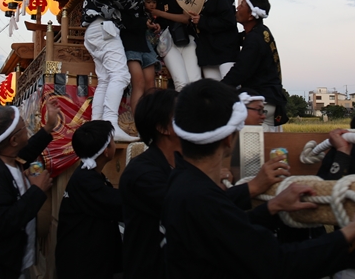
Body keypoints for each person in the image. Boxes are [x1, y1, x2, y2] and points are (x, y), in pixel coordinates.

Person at [162, 79, 355, 278]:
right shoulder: (200, 197)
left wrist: (273, 207)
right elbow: (278, 264)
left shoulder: (183, 181)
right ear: (229, 138)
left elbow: (228, 232)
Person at [120, 87, 289, 279]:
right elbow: (202, 208)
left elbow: (216, 222)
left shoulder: (181, 168)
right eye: (181, 115)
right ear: (163, 128)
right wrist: (253, 187)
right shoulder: (142, 175)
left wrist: (272, 207)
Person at [82, 0, 161, 142]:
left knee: (106, 78)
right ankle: (109, 124)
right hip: (104, 28)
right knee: (121, 76)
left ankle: (98, 125)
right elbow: (127, 2)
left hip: (96, 29)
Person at [0, 98, 59, 279]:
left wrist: (49, 126)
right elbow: (2, 223)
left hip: (10, 264)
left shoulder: (7, 157)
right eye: (24, 127)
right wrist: (37, 190)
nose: (28, 130)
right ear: (14, 140)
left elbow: (28, 151)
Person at [55, 120, 122, 279]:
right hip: (82, 267)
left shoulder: (88, 176)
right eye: (113, 140)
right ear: (106, 151)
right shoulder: (86, 182)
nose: (115, 144)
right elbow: (118, 204)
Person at [222, 0, 287, 131]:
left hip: (261, 102)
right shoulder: (261, 32)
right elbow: (235, 40)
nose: (238, 8)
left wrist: (218, 89)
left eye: (242, 5)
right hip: (270, 98)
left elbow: (240, 71)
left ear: (251, 15)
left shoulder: (254, 40)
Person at [148, 0, 201, 91]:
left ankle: (195, 104)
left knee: (195, 80)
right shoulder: (156, 2)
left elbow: (185, 18)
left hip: (187, 39)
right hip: (167, 43)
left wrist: (159, 13)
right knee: (180, 82)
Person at [186, 0, 240, 81]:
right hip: (207, 51)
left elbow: (229, 21)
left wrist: (202, 21)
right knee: (214, 89)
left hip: (225, 50)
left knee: (230, 87)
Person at [121, 0, 161, 115]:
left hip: (142, 42)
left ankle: (149, 120)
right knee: (138, 82)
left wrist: (149, 24)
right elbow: (123, 18)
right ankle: (137, 122)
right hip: (128, 42)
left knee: (150, 84)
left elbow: (139, 17)